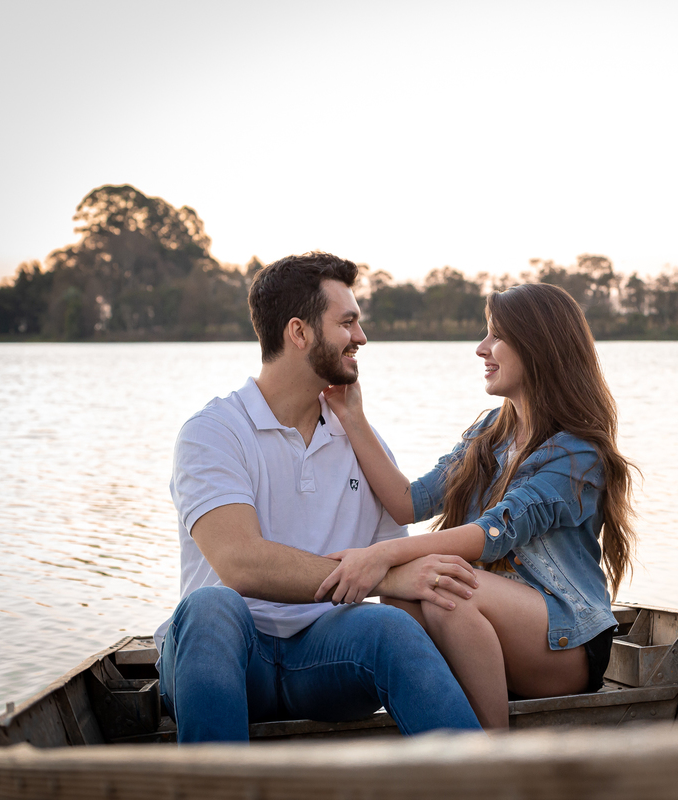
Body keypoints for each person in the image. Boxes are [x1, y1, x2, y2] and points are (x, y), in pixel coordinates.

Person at [156, 252, 482, 742]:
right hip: (228, 661)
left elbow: (397, 586)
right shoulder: (214, 432)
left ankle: (489, 780)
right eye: (347, 323)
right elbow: (240, 564)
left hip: (326, 659)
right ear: (299, 332)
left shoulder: (362, 444)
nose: (361, 338)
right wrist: (384, 571)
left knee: (388, 630)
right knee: (210, 606)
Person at [316, 282, 636, 729]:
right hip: (491, 628)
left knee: (448, 589)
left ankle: (490, 764)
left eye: (496, 336)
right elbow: (411, 502)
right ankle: (436, 740)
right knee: (399, 599)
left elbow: (494, 532)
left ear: (539, 347)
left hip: (566, 644)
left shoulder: (578, 455)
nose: (482, 348)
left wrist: (383, 554)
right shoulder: (490, 435)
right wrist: (352, 416)